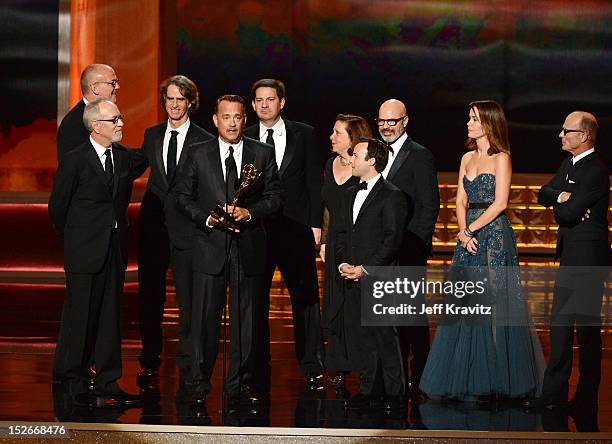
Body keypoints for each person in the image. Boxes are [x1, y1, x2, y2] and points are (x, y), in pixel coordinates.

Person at [419, 100, 544, 402]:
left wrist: (471, 230)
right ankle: (464, 375)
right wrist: (463, 232)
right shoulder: (466, 158)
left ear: (488, 123)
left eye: (474, 119)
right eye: (469, 118)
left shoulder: (502, 158)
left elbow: (501, 203)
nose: (469, 123)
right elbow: (460, 200)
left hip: (494, 236)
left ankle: (501, 377)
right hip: (468, 237)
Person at [173, 94, 282, 408]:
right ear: (215, 120)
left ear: (244, 119)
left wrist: (250, 214)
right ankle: (197, 384)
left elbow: (275, 196)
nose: (232, 123)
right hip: (209, 247)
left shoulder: (261, 153)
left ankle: (239, 386)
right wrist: (207, 218)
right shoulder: (197, 153)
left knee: (245, 323)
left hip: (248, 248)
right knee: (204, 320)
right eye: (226, 117)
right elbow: (182, 196)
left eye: (237, 117)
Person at [49, 98, 140, 406]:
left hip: (113, 250)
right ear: (96, 126)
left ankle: (107, 381)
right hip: (84, 253)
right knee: (81, 318)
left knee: (110, 317)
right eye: (115, 119)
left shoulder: (124, 157)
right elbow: (57, 208)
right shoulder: (75, 160)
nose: (121, 124)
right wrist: (77, 240)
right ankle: (74, 382)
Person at [527, 112, 610, 416]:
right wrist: (563, 195)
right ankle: (553, 395)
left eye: (566, 131)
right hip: (571, 256)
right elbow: (542, 195)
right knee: (560, 327)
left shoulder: (596, 170)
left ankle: (586, 399)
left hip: (588, 259)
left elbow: (567, 214)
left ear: (584, 136)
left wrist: (564, 204)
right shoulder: (568, 165)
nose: (560, 135)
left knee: (587, 331)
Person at [243, 78, 324, 391]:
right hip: (258, 231)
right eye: (259, 100)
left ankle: (311, 364)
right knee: (255, 299)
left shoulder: (304, 134)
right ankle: (256, 363)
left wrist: (316, 225)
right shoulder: (246, 136)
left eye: (270, 99)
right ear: (253, 105)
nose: (264, 105)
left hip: (296, 227)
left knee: (304, 299)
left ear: (282, 102)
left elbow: (313, 182)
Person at [135, 75, 214, 392]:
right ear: (164, 101)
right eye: (170, 98)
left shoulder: (205, 139)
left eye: (181, 99)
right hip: (153, 226)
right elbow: (136, 167)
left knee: (189, 297)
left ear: (191, 102)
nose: (175, 104)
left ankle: (188, 359)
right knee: (150, 296)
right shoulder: (151, 135)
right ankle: (149, 360)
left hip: (188, 226)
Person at [336, 138, 407, 411]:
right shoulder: (349, 193)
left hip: (379, 278)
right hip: (351, 275)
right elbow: (343, 233)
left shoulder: (392, 195)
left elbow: (391, 239)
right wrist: (343, 264)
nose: (350, 159)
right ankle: (368, 389)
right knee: (363, 338)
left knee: (385, 337)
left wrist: (365, 269)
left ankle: (395, 394)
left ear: (371, 161)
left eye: (356, 155)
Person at [376, 99, 440, 400]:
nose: (387, 126)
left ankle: (421, 375)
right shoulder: (372, 153)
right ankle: (393, 374)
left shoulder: (419, 155)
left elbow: (429, 205)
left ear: (405, 121)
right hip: (380, 250)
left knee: (410, 317)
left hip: (409, 248)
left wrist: (419, 246)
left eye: (392, 121)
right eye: (382, 122)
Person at [319, 114, 372, 396]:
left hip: (357, 246)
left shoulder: (362, 167)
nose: (332, 137)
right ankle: (338, 367)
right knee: (335, 306)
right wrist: (325, 240)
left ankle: (364, 366)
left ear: (353, 138)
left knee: (356, 308)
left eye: (338, 133)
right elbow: (327, 206)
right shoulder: (330, 164)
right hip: (335, 245)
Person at [57, 64, 120, 160]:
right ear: (95, 88)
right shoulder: (73, 124)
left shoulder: (100, 114)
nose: (117, 87)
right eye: (113, 83)